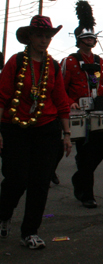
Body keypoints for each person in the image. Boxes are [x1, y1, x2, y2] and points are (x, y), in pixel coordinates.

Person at [0, 15, 71, 249]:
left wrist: (67, 134)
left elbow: (60, 99)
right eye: (39, 35)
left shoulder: (54, 66)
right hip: (15, 127)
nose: (44, 40)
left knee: (40, 182)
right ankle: (4, 213)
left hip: (47, 128)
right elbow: (2, 97)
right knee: (17, 178)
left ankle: (29, 232)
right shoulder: (16, 62)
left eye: (48, 36)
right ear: (29, 37)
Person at [61, 1, 103, 209]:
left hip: (98, 112)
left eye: (93, 36)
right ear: (79, 40)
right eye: (87, 37)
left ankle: (79, 178)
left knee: (101, 148)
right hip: (79, 114)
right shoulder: (70, 61)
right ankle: (88, 194)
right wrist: (70, 103)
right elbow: (61, 90)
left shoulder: (101, 63)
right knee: (84, 153)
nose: (91, 39)